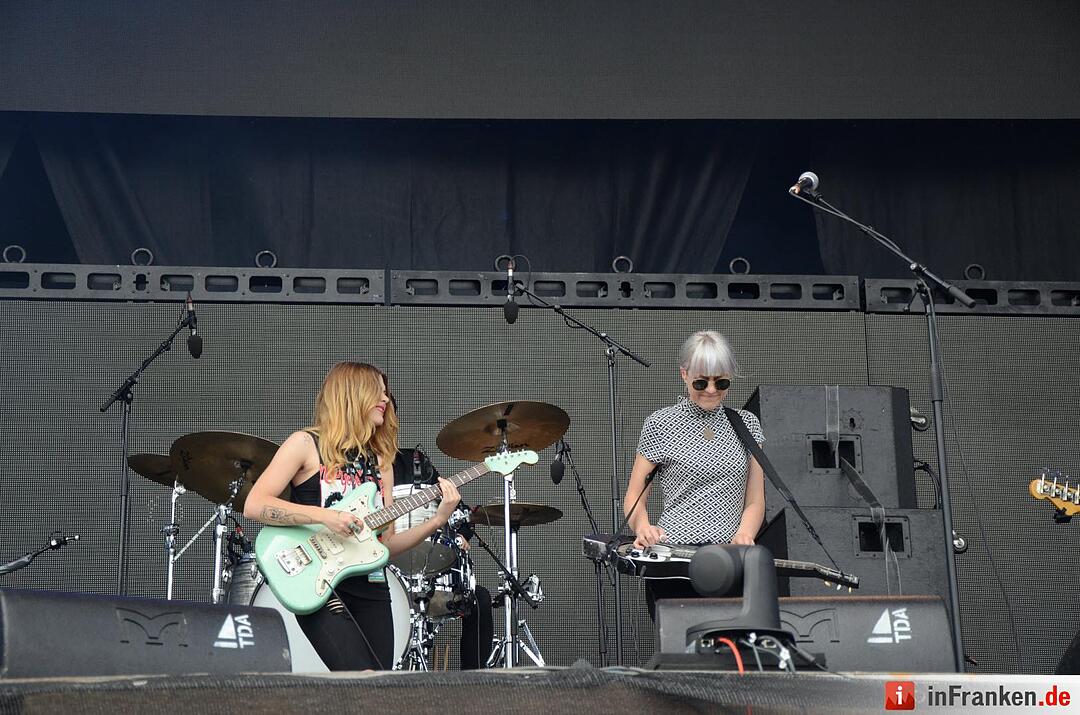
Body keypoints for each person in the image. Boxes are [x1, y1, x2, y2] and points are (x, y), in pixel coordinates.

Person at [243, 361, 460, 670]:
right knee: (359, 678)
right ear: (353, 394)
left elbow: (386, 545)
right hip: (320, 581)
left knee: (376, 687)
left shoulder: (381, 464)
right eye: (378, 392)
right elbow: (255, 505)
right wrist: (325, 517)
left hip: (371, 586)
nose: (386, 400)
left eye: (387, 394)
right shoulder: (305, 444)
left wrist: (437, 520)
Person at [624, 330, 766, 619]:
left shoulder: (746, 424)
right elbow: (634, 497)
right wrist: (643, 528)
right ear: (684, 374)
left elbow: (755, 500)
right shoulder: (660, 423)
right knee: (680, 649)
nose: (711, 390)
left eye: (721, 381)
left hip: (729, 560)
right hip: (674, 558)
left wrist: (745, 535)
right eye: (701, 381)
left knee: (732, 651)